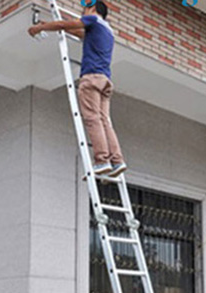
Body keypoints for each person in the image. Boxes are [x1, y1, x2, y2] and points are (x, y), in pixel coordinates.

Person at [28, 0, 127, 177]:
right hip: (105, 80)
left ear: (93, 8)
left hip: (91, 78)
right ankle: (117, 160)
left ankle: (102, 160)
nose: (83, 13)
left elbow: (65, 24)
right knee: (104, 121)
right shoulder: (107, 30)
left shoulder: (93, 20)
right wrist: (49, 25)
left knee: (92, 119)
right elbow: (78, 32)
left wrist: (40, 28)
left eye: (84, 9)